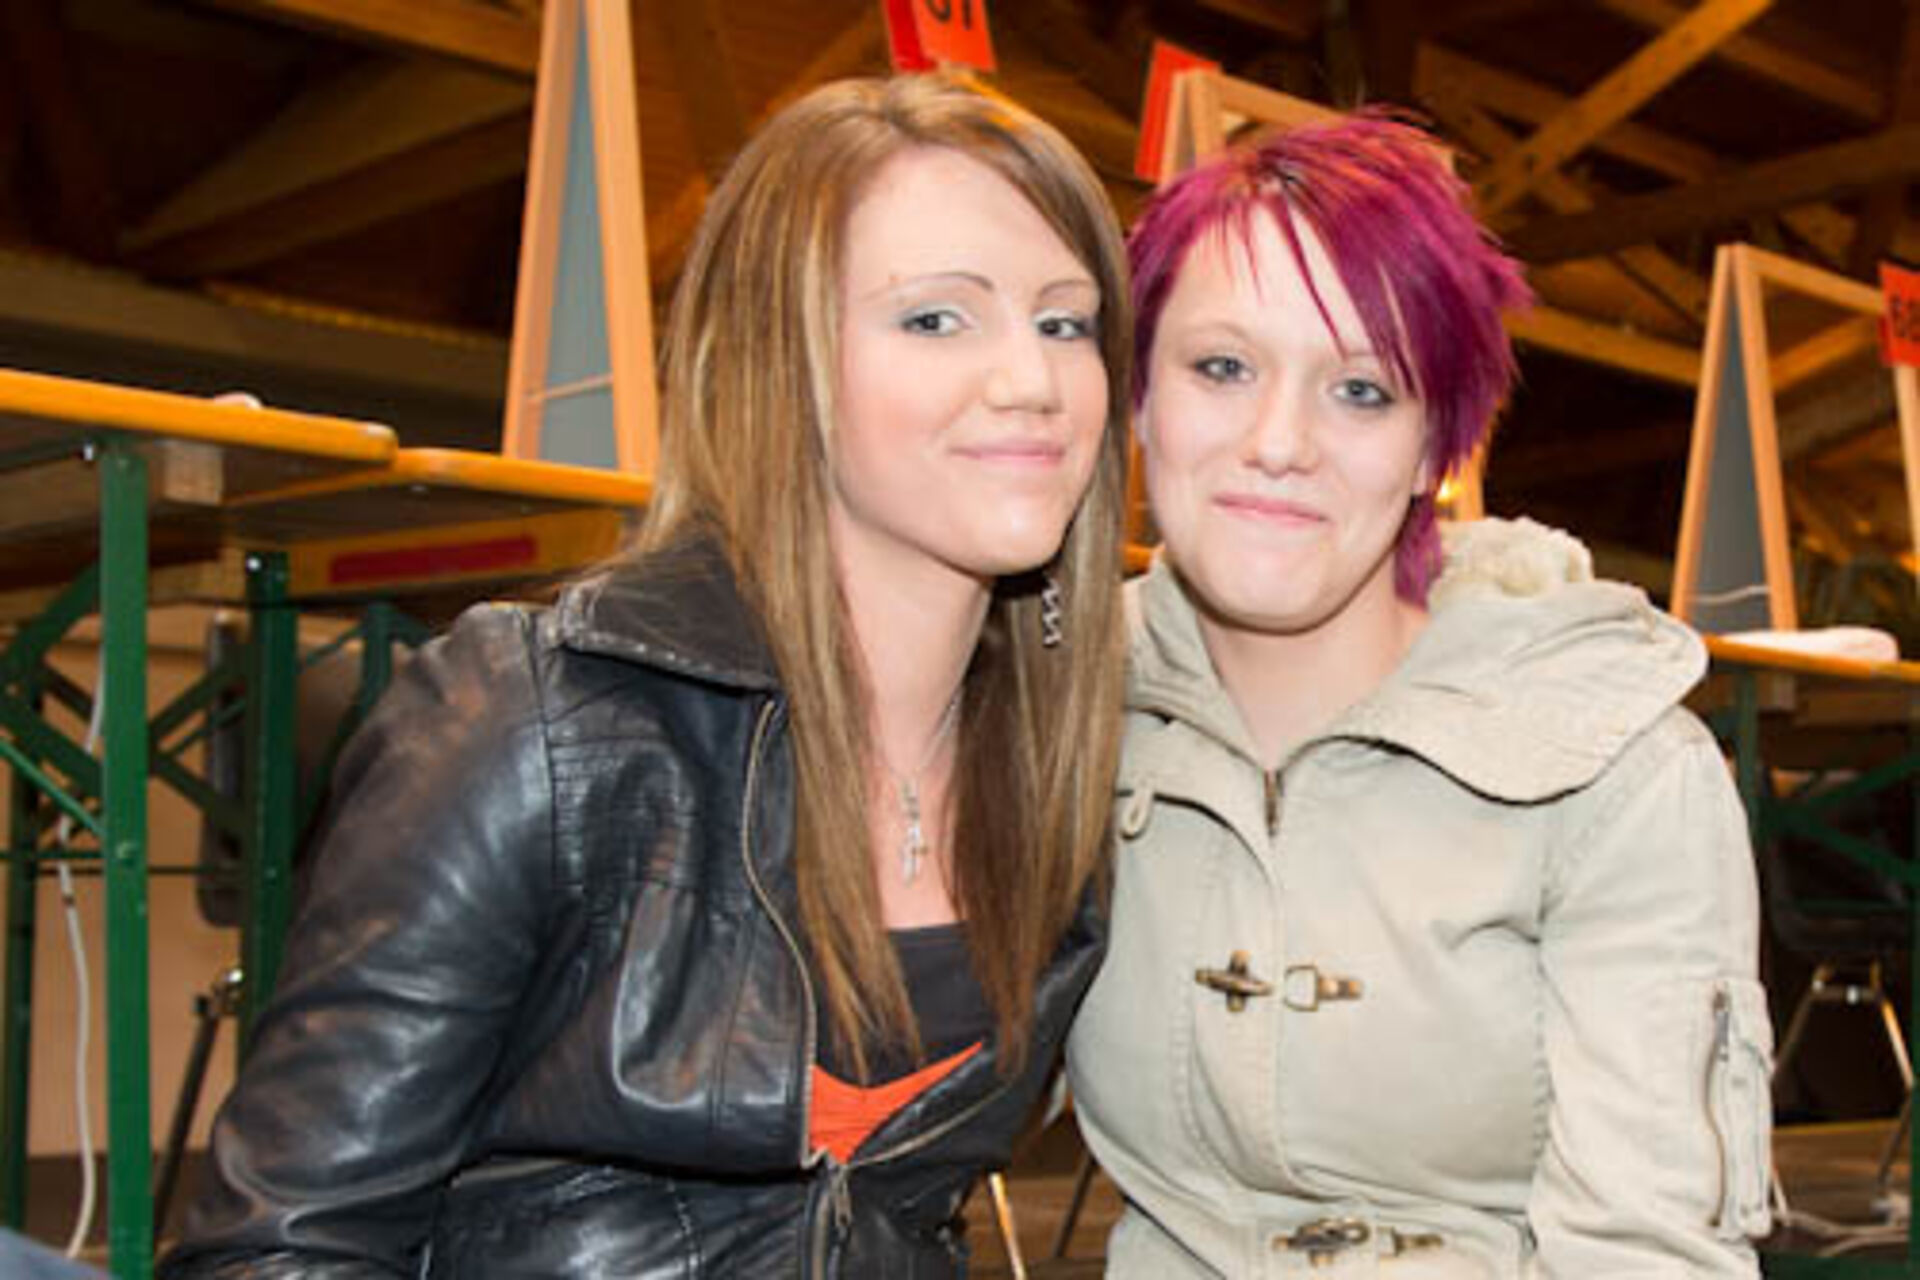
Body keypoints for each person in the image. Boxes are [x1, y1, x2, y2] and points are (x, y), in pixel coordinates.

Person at [162, 73, 1131, 1278]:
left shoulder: (1057, 772)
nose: (1032, 381)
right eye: (936, 318)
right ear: (776, 358)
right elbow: (279, 1249)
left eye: (1065, 323)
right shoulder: (537, 717)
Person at [1066, 114, 1772, 1277]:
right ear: (1136, 396)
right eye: (1223, 367)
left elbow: (1645, 1251)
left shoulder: (1615, 771)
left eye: (1360, 389)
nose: (1279, 441)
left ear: (1435, 446)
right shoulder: (1056, 709)